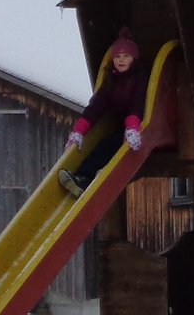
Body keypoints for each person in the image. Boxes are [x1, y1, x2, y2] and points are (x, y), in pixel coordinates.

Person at [59, 29, 148, 196]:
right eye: (117, 56)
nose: (121, 60)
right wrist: (79, 131)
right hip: (123, 126)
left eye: (126, 56)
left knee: (114, 144)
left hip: (141, 126)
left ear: (134, 59)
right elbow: (96, 106)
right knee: (103, 145)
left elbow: (138, 103)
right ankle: (82, 178)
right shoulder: (110, 81)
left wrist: (132, 127)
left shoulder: (140, 78)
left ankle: (97, 175)